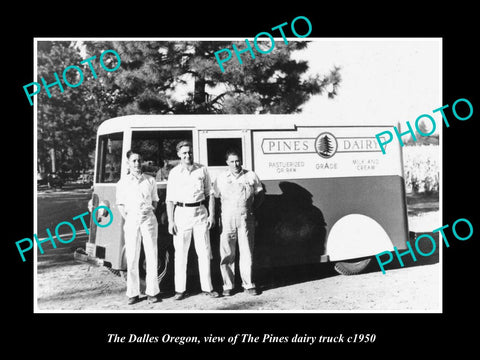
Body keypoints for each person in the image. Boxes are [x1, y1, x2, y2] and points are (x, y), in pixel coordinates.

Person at [166, 140, 220, 300]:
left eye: (189, 152)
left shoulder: (202, 169)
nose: (187, 155)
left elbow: (210, 193)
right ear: (178, 154)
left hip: (200, 213)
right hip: (181, 214)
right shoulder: (174, 173)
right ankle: (180, 290)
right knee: (180, 254)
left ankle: (208, 288)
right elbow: (169, 199)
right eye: (184, 153)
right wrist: (170, 221)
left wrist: (211, 215)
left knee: (204, 252)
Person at [213, 149, 264, 296]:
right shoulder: (221, 177)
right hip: (227, 219)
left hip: (246, 218)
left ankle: (248, 284)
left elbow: (260, 194)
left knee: (247, 251)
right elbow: (216, 198)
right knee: (227, 252)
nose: (235, 164)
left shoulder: (250, 175)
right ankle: (228, 285)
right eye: (231, 161)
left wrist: (253, 209)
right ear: (227, 163)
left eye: (237, 161)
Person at [116, 149, 161, 305]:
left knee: (151, 255)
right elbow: (121, 205)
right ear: (128, 163)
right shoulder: (122, 183)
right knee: (133, 257)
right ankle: (133, 293)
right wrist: (131, 218)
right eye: (133, 160)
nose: (137, 163)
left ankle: (152, 292)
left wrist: (149, 212)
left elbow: (155, 201)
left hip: (148, 220)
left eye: (139, 160)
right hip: (132, 221)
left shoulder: (150, 180)